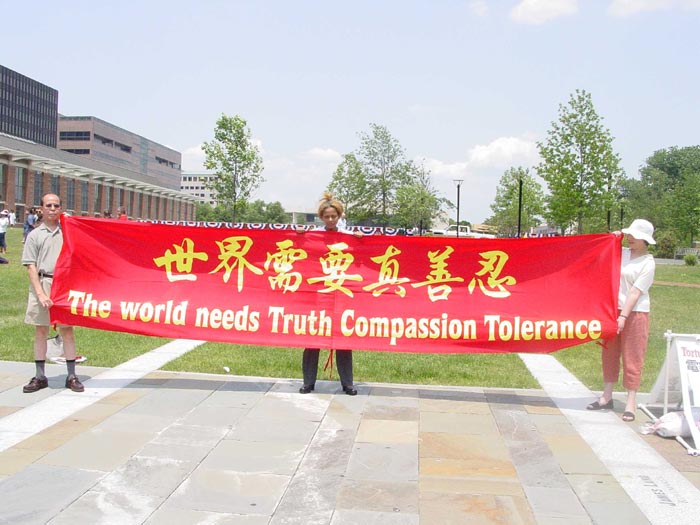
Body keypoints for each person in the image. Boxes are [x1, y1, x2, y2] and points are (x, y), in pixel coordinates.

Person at [587, 219, 656, 422]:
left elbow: (635, 292)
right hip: (611, 309)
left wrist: (623, 316)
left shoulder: (648, 263)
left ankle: (630, 402)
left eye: (636, 236)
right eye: (629, 234)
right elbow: (601, 254)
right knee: (609, 353)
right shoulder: (622, 253)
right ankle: (606, 395)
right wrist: (612, 237)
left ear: (645, 240)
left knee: (633, 356)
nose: (631, 238)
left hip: (635, 312)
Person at [297, 192, 362, 396]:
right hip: (319, 294)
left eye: (334, 216)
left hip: (341, 294)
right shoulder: (314, 235)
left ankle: (347, 383)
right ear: (321, 217)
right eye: (327, 216)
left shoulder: (349, 236)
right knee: (313, 339)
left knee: (343, 339)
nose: (331, 220)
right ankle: (308, 382)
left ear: (340, 216)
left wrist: (360, 240)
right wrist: (299, 235)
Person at [21, 193, 84, 393]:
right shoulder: (35, 235)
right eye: (48, 205)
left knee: (67, 331)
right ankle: (40, 376)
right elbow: (30, 266)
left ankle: (71, 376)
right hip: (43, 282)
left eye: (56, 205)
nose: (52, 209)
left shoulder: (68, 232)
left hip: (63, 285)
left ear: (61, 209)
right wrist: (40, 294)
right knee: (41, 330)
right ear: (41, 209)